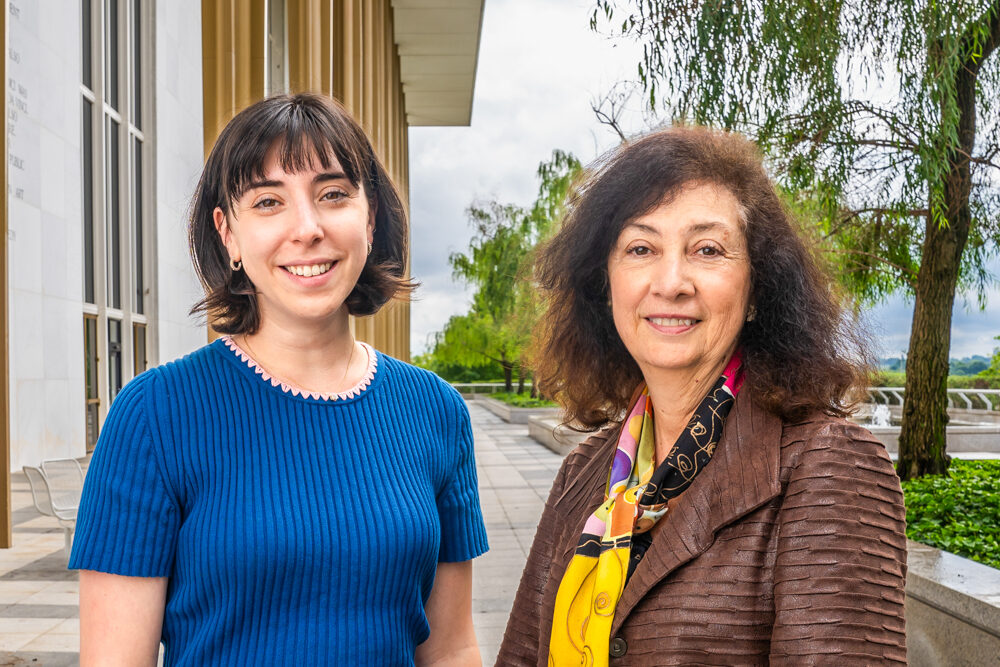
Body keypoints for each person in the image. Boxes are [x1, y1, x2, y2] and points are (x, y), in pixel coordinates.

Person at [70, 93, 488, 666]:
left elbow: (450, 650)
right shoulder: (154, 416)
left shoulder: (435, 411)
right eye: (268, 202)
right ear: (228, 235)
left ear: (369, 218)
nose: (308, 228)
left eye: (334, 194)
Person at [496, 127, 907, 666]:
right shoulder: (583, 472)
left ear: (758, 286)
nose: (671, 281)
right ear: (606, 284)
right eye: (641, 248)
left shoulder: (829, 466)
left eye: (707, 250)